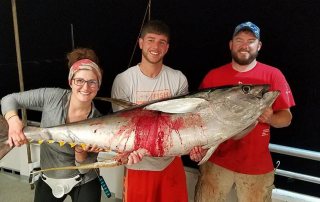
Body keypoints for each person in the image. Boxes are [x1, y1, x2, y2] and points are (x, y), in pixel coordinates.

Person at [190, 21, 296, 202]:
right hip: (216, 161)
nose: (244, 45)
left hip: (256, 166)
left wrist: (270, 118)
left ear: (259, 46)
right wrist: (195, 145)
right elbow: (197, 118)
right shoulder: (214, 76)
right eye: (239, 40)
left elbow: (286, 118)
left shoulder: (272, 75)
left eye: (251, 40)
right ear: (231, 44)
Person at [1, 48, 104, 202]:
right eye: (79, 81)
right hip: (49, 177)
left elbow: (84, 167)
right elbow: (9, 99)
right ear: (71, 81)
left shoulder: (98, 121)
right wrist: (14, 120)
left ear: (98, 85)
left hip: (84, 180)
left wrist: (80, 152)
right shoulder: (52, 97)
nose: (85, 87)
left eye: (92, 82)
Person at [111, 20, 189, 202]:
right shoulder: (123, 80)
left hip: (171, 162)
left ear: (167, 47)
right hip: (138, 164)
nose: (156, 46)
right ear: (140, 43)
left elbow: (181, 123)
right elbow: (124, 128)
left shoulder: (178, 78)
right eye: (151, 40)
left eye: (162, 42)